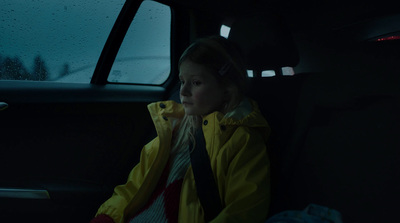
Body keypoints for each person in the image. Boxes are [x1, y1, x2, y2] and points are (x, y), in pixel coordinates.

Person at [90, 36, 271, 223]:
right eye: (182, 81)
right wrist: (108, 216)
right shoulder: (171, 129)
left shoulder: (242, 140)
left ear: (227, 89)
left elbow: (243, 210)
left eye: (196, 82)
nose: (183, 91)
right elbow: (135, 187)